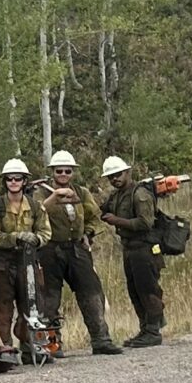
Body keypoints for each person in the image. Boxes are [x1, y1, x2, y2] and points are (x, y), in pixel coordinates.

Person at [36, 151, 122, 356]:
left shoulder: (81, 193)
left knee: (92, 293)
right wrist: (54, 197)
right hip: (49, 249)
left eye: (68, 171)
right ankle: (52, 345)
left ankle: (101, 340)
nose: (63, 174)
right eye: (59, 171)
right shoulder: (41, 193)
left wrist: (88, 233)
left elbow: (94, 216)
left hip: (77, 248)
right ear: (52, 172)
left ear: (73, 172)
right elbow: (35, 214)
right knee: (49, 299)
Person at [0, 159, 52, 363]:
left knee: (32, 306)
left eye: (17, 178)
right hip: (2, 263)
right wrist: (17, 237)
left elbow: (45, 232)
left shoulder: (36, 206)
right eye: (9, 178)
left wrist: (36, 239)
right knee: (1, 309)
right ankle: (6, 350)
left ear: (24, 181)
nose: (13, 182)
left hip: (28, 262)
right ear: (4, 181)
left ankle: (32, 347)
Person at [98, 155, 167, 347]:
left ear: (127, 172)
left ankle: (153, 331)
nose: (115, 179)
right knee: (134, 290)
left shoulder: (140, 194)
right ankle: (145, 329)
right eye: (111, 177)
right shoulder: (117, 196)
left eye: (118, 174)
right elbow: (101, 210)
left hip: (145, 248)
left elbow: (146, 223)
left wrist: (116, 221)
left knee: (148, 289)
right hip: (129, 249)